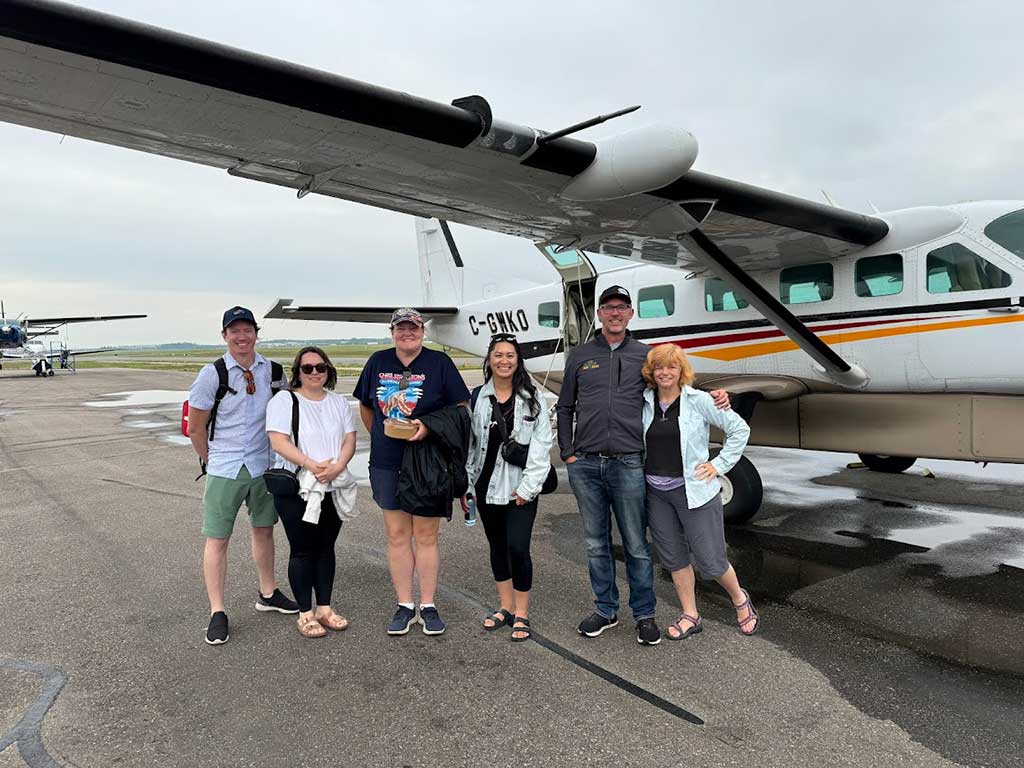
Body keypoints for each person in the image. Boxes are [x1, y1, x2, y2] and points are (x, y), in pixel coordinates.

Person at [556, 285, 730, 646]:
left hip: (629, 463)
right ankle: (605, 609)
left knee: (636, 544)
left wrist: (721, 396)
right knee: (595, 543)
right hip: (586, 464)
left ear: (631, 313)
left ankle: (644, 614)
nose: (615, 313)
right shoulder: (580, 355)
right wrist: (568, 452)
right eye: (608, 307)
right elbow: (565, 407)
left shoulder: (645, 356)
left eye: (621, 307)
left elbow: (674, 387)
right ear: (599, 313)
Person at [354, 308, 470, 636]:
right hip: (388, 462)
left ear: (422, 331)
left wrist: (427, 428)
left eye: (414, 328)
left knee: (427, 536)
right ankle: (405, 604)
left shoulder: (439, 363)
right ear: (392, 332)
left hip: (428, 463)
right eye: (401, 328)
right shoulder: (378, 361)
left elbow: (460, 409)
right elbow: (367, 406)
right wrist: (383, 434)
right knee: (397, 535)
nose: (408, 333)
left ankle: (428, 604)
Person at [188, 306, 298, 646]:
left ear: (256, 334)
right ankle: (217, 611)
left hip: (263, 465)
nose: (241, 336)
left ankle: (267, 593)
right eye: (234, 330)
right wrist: (210, 459)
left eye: (247, 329)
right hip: (225, 466)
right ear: (224, 336)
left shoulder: (274, 372)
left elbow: (285, 414)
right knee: (218, 538)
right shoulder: (212, 374)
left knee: (264, 531)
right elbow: (195, 426)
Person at [641, 344, 759, 639]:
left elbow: (739, 430)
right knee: (674, 558)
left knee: (711, 560)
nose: (665, 372)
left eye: (671, 366)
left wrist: (719, 465)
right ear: (651, 373)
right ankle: (690, 615)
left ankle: (739, 598)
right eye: (659, 367)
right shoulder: (643, 401)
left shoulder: (699, 400)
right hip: (656, 493)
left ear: (681, 370)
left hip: (693, 491)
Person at [463, 333, 553, 642]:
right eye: (498, 355)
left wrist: (528, 488)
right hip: (485, 486)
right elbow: (471, 447)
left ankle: (522, 613)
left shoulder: (534, 399)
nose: (504, 360)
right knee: (497, 547)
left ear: (518, 361)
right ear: (489, 360)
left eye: (510, 355)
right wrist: (467, 487)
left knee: (518, 547)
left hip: (519, 487)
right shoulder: (477, 398)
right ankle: (505, 607)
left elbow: (541, 448)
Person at [266, 347, 357, 638]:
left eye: (321, 367)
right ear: (298, 372)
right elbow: (278, 441)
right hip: (299, 486)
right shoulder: (284, 400)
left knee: (326, 547)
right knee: (303, 549)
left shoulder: (339, 402)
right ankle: (305, 613)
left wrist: (338, 465)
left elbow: (349, 439)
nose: (315, 372)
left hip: (333, 483)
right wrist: (311, 465)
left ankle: (325, 608)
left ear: (329, 370)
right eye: (308, 368)